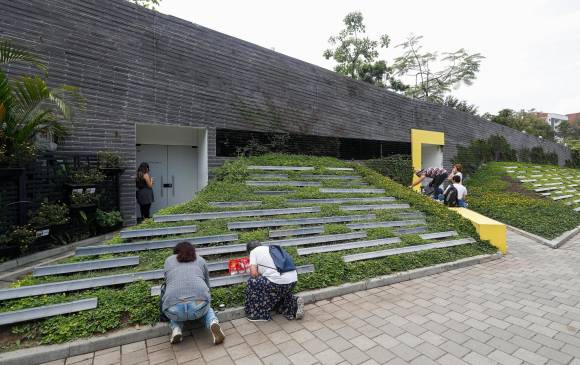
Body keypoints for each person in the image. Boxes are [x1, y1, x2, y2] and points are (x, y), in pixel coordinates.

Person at [162, 242, 225, 345]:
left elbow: (167, 281)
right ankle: (213, 322)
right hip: (197, 305)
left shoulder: (168, 260)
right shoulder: (200, 260)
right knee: (206, 308)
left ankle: (176, 329)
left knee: (174, 308)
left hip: (174, 307)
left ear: (175, 252)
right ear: (192, 251)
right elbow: (207, 283)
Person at [244, 241, 304, 322]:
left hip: (277, 283)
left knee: (252, 282)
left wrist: (252, 270)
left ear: (249, 251)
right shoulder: (271, 249)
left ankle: (259, 315)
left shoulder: (253, 252)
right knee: (276, 290)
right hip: (292, 280)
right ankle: (294, 304)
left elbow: (254, 274)